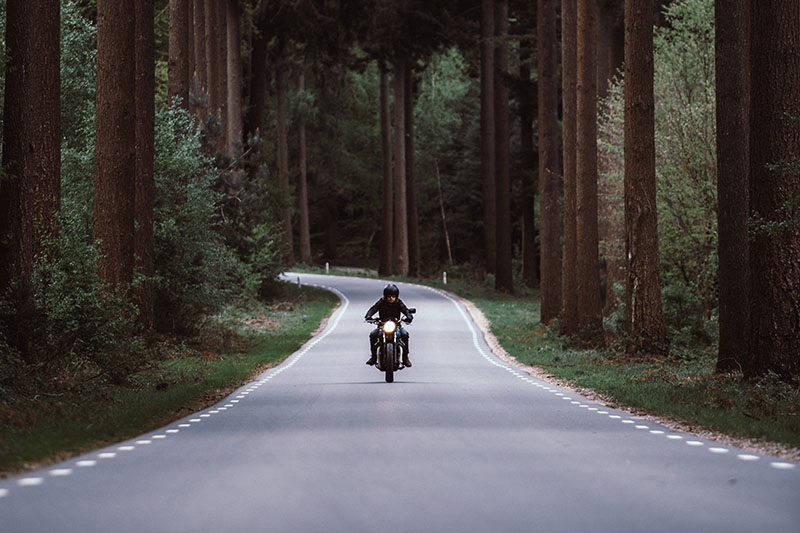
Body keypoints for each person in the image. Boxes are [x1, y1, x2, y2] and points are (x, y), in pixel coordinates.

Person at [365, 283, 413, 367]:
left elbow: (405, 310)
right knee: (373, 334)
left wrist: (409, 316)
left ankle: (405, 358)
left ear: (396, 296)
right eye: (389, 296)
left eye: (393, 296)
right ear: (386, 296)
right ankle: (373, 356)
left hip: (396, 326)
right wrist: (369, 316)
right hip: (382, 326)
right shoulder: (381, 302)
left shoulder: (399, 303)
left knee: (405, 334)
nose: (391, 298)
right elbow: (373, 309)